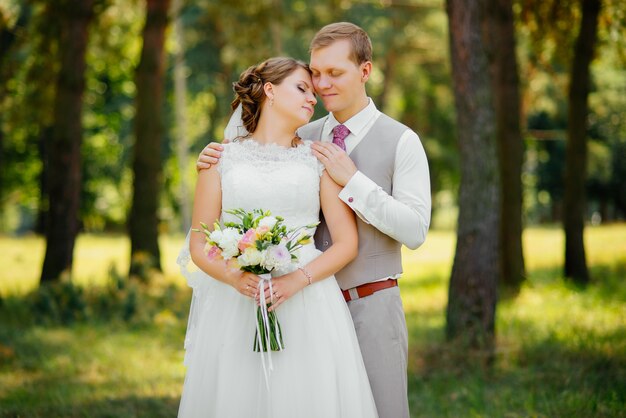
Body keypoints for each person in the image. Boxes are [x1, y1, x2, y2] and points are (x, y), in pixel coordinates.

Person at [197, 23, 431, 418]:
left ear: (365, 71)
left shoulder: (402, 140)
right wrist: (214, 162)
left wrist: (352, 180)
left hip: (368, 304)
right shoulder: (300, 137)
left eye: (333, 73)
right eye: (315, 73)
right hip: (294, 307)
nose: (320, 85)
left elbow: (415, 230)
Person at [177, 57, 379, 418]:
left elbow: (347, 244)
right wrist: (236, 278)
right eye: (302, 88)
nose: (312, 99)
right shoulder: (220, 159)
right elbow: (198, 243)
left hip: (307, 299)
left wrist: (294, 282)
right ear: (270, 90)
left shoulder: (318, 161)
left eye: (313, 94)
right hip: (237, 301)